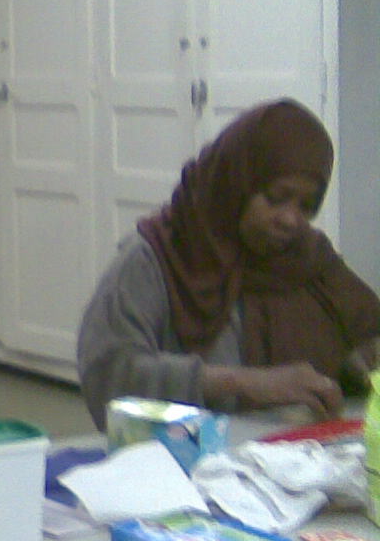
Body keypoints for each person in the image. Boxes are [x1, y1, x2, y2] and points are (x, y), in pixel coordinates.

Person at [77, 98, 380, 430]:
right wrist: (245, 383)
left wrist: (357, 364)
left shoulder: (308, 259)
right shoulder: (157, 257)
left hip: (301, 450)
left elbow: (358, 339)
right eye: (276, 198)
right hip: (188, 452)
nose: (291, 220)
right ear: (236, 183)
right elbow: (107, 376)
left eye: (307, 206)